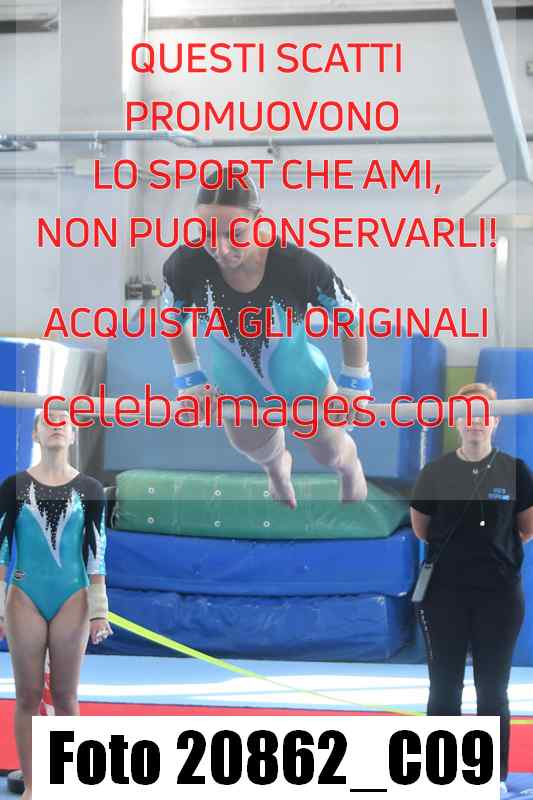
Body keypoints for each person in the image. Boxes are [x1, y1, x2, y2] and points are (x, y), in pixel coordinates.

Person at [162, 168, 371, 508]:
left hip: (302, 378)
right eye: (207, 232)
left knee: (329, 452)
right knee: (250, 445)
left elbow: (350, 317)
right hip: (237, 381)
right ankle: (276, 468)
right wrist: (190, 379)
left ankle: (350, 468)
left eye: (235, 233)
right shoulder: (185, 265)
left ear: (258, 220)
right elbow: (173, 319)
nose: (220, 248)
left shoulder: (296, 264)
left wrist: (354, 385)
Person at [410, 382, 533, 796]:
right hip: (444, 595)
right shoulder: (435, 472)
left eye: (483, 414)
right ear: (456, 420)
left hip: (498, 596)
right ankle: (441, 775)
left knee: (492, 690)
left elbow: (526, 528)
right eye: (467, 413)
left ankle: (492, 777)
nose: (475, 421)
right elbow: (423, 529)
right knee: (444, 688)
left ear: (495, 420)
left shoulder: (515, 471)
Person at [0, 410, 112, 800]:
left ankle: (64, 782)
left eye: (64, 420)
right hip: (24, 596)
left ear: (74, 433)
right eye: (48, 421)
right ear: (35, 433)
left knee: (65, 696)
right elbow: (1, 548)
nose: (57, 425)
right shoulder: (13, 486)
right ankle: (34, 784)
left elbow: (96, 551)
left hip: (73, 597)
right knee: (28, 695)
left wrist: (99, 609)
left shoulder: (90, 488)